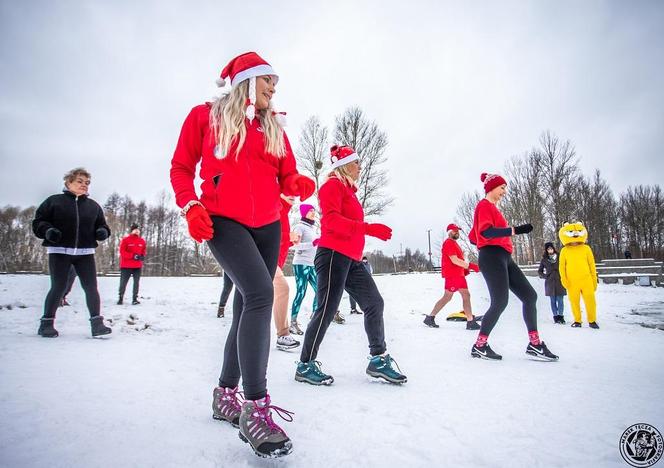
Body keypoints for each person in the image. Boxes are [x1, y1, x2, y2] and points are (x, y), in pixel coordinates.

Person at [170, 52, 314, 458]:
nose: (274, 89)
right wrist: (190, 205)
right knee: (259, 296)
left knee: (244, 305)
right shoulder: (205, 117)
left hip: (268, 224)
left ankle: (225, 394)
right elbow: (181, 167)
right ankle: (255, 407)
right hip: (223, 220)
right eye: (268, 81)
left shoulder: (275, 127)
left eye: (276, 84)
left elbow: (287, 176)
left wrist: (297, 182)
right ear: (247, 82)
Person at [295, 145, 407, 386]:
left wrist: (365, 233)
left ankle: (378, 359)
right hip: (333, 254)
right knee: (326, 309)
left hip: (351, 259)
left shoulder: (349, 191)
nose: (360, 167)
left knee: (374, 303)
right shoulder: (331, 186)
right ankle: (305, 365)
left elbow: (348, 223)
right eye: (356, 163)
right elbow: (333, 220)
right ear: (344, 164)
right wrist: (368, 228)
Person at [468, 172, 558, 361]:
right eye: (502, 188)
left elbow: (473, 235)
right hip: (492, 256)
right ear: (491, 188)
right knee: (500, 302)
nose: (504, 192)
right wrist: (515, 230)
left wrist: (495, 234)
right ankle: (480, 346)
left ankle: (534, 344)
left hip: (503, 257)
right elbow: (485, 232)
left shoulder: (492, 209)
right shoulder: (484, 205)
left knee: (530, 296)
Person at [32, 167, 112, 338]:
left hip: (85, 252)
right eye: (80, 181)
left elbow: (102, 225)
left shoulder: (93, 206)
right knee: (58, 287)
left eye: (87, 183)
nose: (84, 185)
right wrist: (48, 231)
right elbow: (39, 222)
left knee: (91, 287)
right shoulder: (54, 201)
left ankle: (97, 324)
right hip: (60, 251)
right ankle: (46, 324)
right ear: (68, 183)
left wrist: (102, 231)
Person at [423, 223, 480, 330]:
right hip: (453, 275)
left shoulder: (454, 243)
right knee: (453, 297)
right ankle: (470, 322)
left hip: (457, 274)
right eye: (454, 231)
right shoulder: (449, 243)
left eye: (458, 231)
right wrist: (471, 266)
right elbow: (454, 260)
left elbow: (459, 260)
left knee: (458, 296)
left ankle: (430, 317)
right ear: (449, 232)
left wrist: (466, 269)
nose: (457, 232)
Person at [273, 194, 300, 351]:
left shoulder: (284, 213)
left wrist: (289, 240)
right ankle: (282, 334)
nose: (293, 195)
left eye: (295, 193)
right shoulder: (275, 209)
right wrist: (286, 236)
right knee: (282, 289)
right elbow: (265, 233)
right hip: (265, 259)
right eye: (288, 191)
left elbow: (278, 241)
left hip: (274, 261)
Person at [289, 203, 318, 335]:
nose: (313, 212)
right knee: (301, 292)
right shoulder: (299, 227)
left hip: (311, 265)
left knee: (320, 290)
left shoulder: (312, 228)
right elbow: (294, 246)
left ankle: (314, 316)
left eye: (314, 210)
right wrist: (312, 243)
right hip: (301, 264)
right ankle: (293, 323)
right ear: (304, 212)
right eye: (310, 210)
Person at [117, 223, 146, 305]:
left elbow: (143, 250)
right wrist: (133, 256)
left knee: (136, 282)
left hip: (137, 266)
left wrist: (142, 256)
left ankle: (134, 299)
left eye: (138, 230)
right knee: (123, 282)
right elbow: (122, 252)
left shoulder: (142, 241)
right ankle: (120, 297)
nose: (137, 231)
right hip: (126, 266)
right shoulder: (126, 240)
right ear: (131, 231)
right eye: (135, 229)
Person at [538, 242, 566, 324]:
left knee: (560, 300)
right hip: (550, 283)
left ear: (553, 248)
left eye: (551, 248)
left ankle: (561, 317)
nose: (550, 250)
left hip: (560, 281)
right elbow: (539, 271)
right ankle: (555, 317)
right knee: (552, 301)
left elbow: (565, 266)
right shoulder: (544, 259)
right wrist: (545, 276)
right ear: (546, 250)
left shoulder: (560, 257)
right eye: (548, 249)